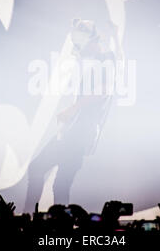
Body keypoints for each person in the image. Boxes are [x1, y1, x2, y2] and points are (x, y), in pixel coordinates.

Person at [24, 18, 119, 213]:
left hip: (80, 133)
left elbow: (103, 90)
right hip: (76, 131)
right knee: (60, 184)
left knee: (39, 170)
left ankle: (29, 219)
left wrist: (72, 109)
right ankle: (57, 225)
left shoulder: (106, 59)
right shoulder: (97, 60)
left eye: (79, 45)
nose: (78, 50)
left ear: (92, 42)